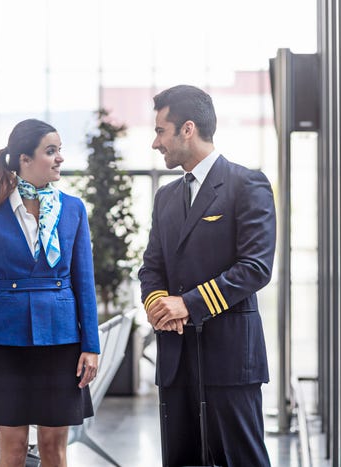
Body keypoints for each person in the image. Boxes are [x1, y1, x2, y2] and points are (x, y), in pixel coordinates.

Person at [139, 85, 276, 466]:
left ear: (187, 129)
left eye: (160, 131)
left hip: (229, 360)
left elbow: (255, 268)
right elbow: (151, 268)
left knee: (241, 460)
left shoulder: (246, 185)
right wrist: (157, 306)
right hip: (176, 359)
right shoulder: (165, 196)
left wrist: (187, 304)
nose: (155, 143)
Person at [0, 119, 100, 467]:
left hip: (62, 341)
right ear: (24, 159)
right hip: (6, 343)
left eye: (60, 150)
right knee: (13, 450)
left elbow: (84, 282)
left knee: (54, 450)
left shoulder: (74, 209)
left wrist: (90, 345)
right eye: (51, 151)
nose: (60, 158)